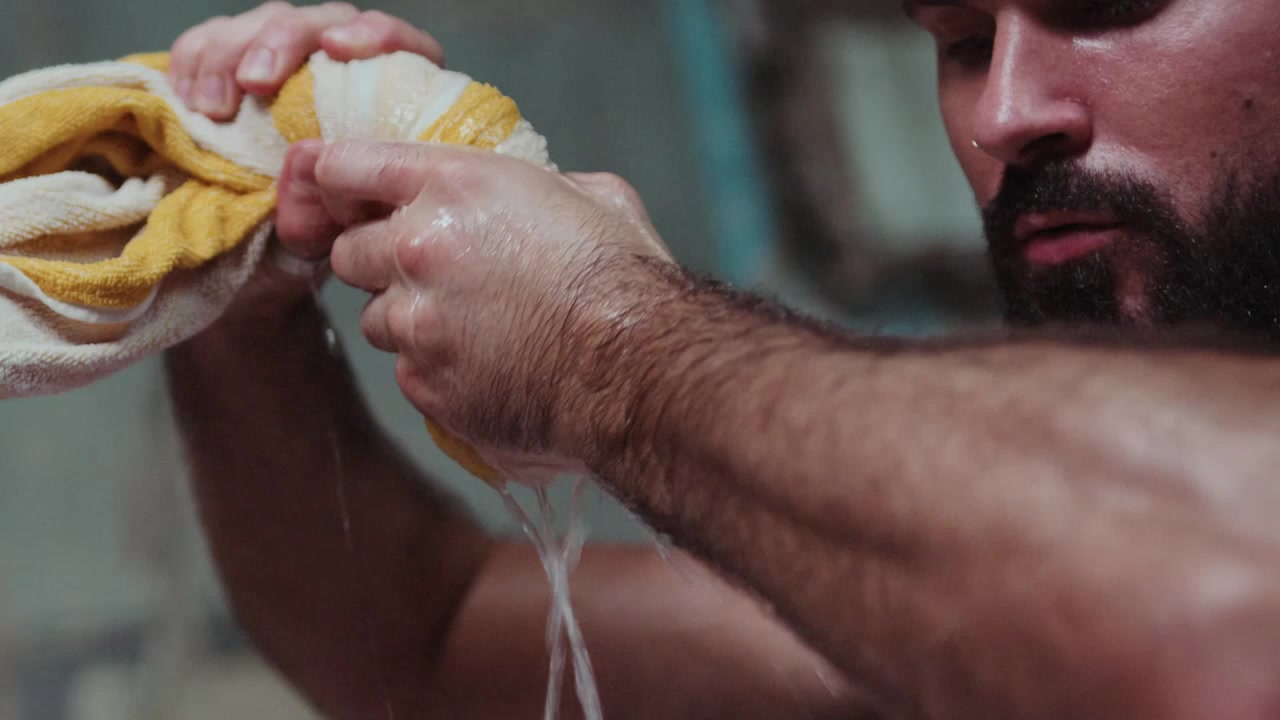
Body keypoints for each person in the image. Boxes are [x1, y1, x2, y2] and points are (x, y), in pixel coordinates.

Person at [163, 2, 1280, 719]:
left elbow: (1228, 603)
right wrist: (233, 274)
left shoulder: (1154, 558)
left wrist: (603, 339)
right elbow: (418, 638)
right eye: (963, 44)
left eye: (1104, 7)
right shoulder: (991, 563)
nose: (1001, 114)